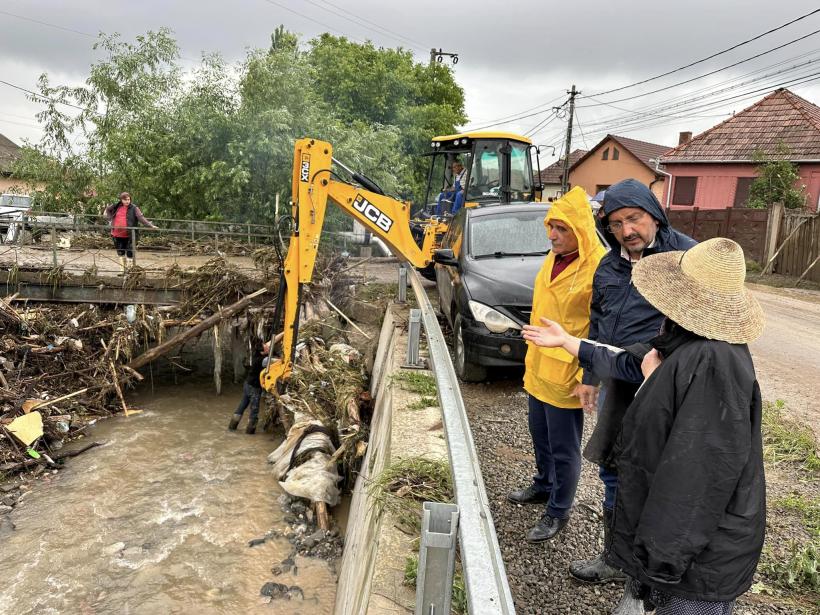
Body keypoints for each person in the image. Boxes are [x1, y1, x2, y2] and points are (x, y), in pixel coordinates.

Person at [523, 237, 766, 615]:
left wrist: (657, 564)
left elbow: (695, 480)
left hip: (697, 560)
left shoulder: (715, 364)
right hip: (681, 547)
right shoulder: (684, 338)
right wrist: (569, 342)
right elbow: (626, 361)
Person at [569, 178, 696, 586]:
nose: (627, 231)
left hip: (667, 390)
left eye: (635, 219)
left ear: (655, 214)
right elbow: (599, 324)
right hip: (618, 384)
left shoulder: (687, 258)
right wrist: (591, 376)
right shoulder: (609, 265)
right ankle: (616, 557)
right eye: (616, 223)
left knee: (660, 475)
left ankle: (656, 570)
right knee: (614, 467)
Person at [507, 186, 606, 542]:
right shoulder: (553, 258)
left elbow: (600, 328)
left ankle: (558, 510)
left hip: (568, 371)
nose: (553, 235)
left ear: (580, 229)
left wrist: (590, 376)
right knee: (540, 434)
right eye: (551, 227)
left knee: (565, 448)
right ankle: (543, 484)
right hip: (538, 367)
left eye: (562, 229)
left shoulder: (598, 268)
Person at [104, 192, 158, 273]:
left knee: (130, 253)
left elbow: (141, 218)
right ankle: (122, 270)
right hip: (116, 234)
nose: (127, 201)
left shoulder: (134, 208)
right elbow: (108, 209)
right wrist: (109, 219)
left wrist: (150, 226)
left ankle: (130, 271)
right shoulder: (116, 206)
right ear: (121, 200)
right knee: (120, 252)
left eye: (128, 199)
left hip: (130, 235)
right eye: (125, 200)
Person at [228, 340, 267, 434]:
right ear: (262, 350)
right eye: (265, 345)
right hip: (254, 387)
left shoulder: (256, 354)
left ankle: (232, 426)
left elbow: (268, 345)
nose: (268, 346)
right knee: (254, 410)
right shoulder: (264, 360)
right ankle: (250, 432)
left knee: (242, 405)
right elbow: (279, 362)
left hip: (247, 384)